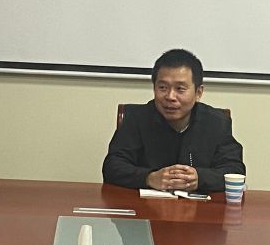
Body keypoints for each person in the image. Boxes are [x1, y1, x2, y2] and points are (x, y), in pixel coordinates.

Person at [102, 48, 244, 193]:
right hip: (144, 205)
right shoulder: (136, 118)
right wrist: (149, 178)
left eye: (180, 89)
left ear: (198, 93)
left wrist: (200, 178)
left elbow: (235, 170)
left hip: (200, 206)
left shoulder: (216, 122)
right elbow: (112, 167)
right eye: (163, 87)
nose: (170, 96)